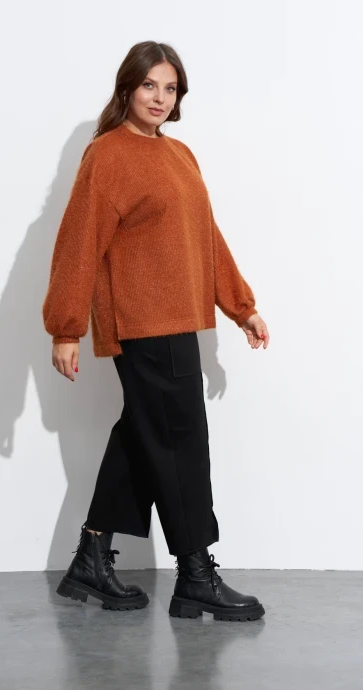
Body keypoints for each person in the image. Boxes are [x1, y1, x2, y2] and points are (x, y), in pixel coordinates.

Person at [42, 40, 270, 622]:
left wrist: (241, 306)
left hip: (178, 318)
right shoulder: (108, 155)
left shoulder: (180, 155)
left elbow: (206, 237)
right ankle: (195, 575)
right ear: (127, 88)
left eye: (170, 89)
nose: (160, 98)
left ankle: (92, 557)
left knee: (144, 434)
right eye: (150, 85)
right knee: (180, 440)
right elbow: (79, 242)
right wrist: (65, 327)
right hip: (142, 321)